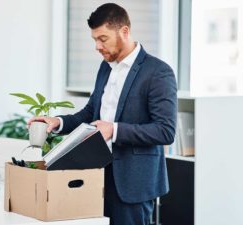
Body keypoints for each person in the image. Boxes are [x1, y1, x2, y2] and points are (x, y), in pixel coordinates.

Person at [28, 3, 177, 225]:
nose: (97, 46)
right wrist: (57, 122)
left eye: (103, 39)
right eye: (94, 39)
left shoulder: (158, 72)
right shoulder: (105, 67)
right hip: (97, 175)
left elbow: (165, 131)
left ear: (124, 32)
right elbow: (91, 113)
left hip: (132, 183)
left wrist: (114, 129)